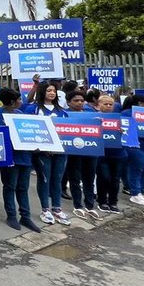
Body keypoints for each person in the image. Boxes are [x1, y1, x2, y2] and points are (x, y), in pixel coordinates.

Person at [0, 88, 40, 232]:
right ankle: (11, 215)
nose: (20, 102)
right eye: (18, 100)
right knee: (10, 186)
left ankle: (25, 216)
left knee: (23, 188)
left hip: (25, 156)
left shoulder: (20, 114)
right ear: (12, 101)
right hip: (9, 157)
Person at [27, 82, 70, 225]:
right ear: (42, 92)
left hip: (60, 151)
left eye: (54, 91)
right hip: (42, 152)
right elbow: (30, 129)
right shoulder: (34, 109)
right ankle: (45, 209)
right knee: (44, 178)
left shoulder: (62, 111)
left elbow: (69, 130)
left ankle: (57, 208)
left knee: (57, 179)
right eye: (48, 90)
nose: (52, 93)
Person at [63, 91, 100, 220]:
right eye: (76, 100)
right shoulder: (64, 115)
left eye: (81, 100)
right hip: (74, 152)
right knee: (75, 179)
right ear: (68, 102)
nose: (79, 103)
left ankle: (90, 206)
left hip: (91, 151)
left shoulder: (92, 114)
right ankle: (78, 205)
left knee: (89, 179)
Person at [120, 94, 144, 207]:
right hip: (137, 147)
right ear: (140, 103)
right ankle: (135, 193)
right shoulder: (127, 114)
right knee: (136, 170)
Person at [95, 93, 125, 214]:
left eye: (110, 104)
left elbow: (129, 136)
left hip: (118, 153)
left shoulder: (120, 118)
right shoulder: (94, 118)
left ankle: (113, 202)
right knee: (104, 177)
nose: (108, 106)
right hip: (101, 154)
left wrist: (122, 131)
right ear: (98, 105)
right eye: (105, 104)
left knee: (115, 179)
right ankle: (102, 201)